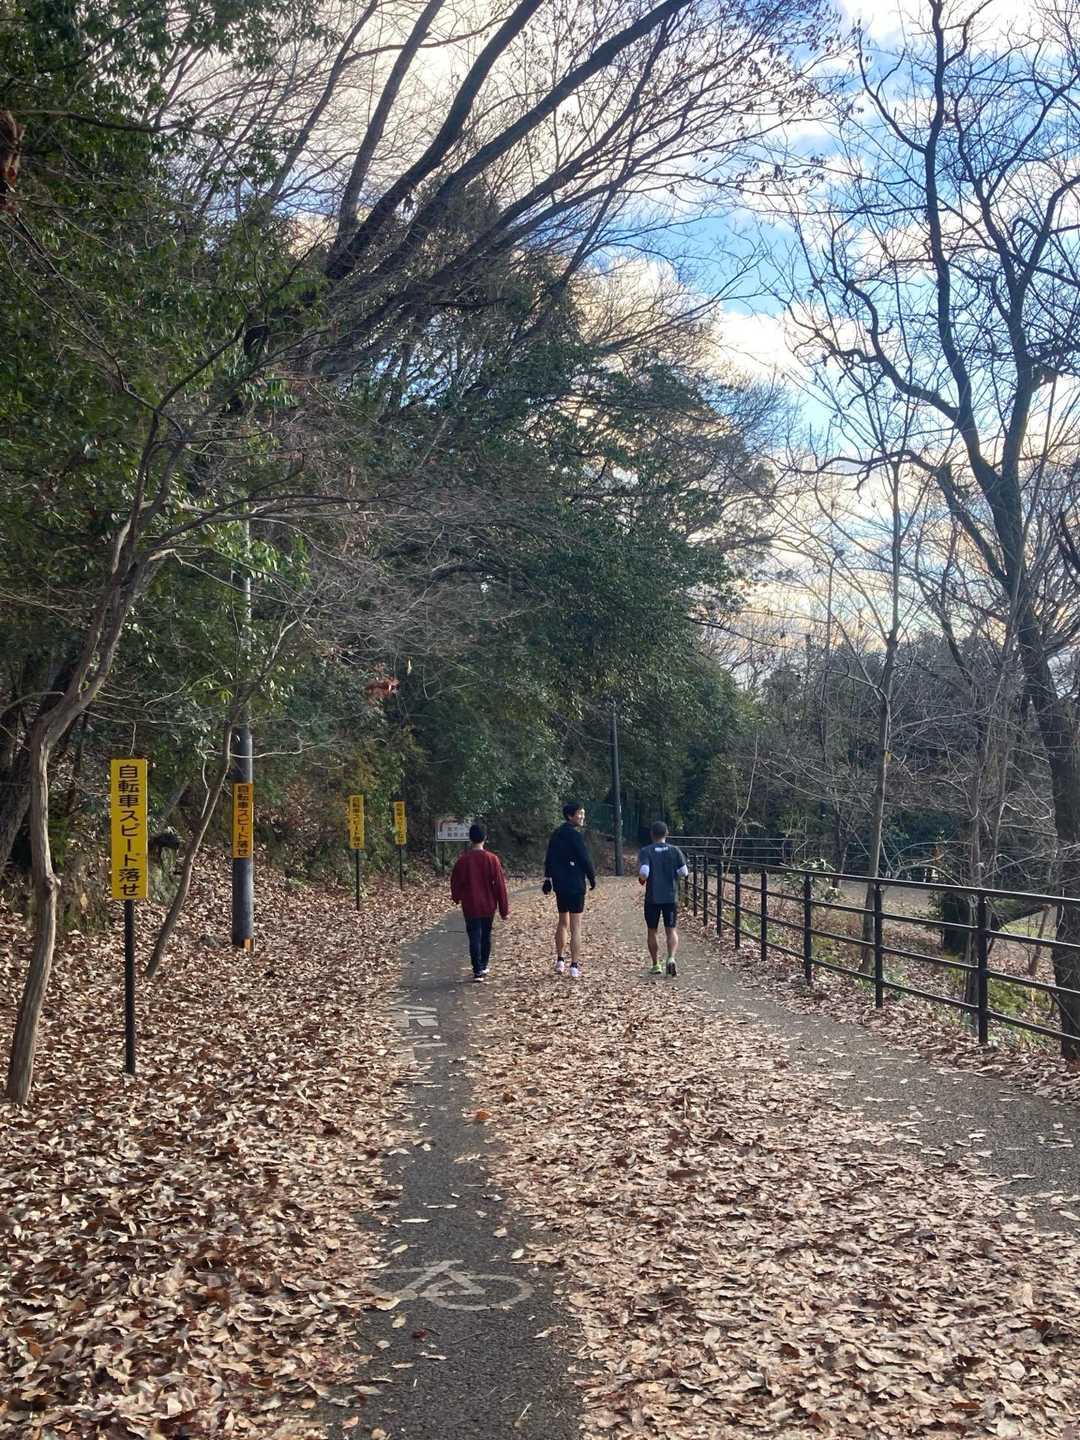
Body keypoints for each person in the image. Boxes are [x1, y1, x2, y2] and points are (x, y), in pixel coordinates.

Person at [543, 801, 596, 979]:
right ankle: (574, 965)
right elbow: (584, 859)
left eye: (583, 813)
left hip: (560, 884)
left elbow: (549, 857)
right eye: (579, 814)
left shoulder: (556, 834)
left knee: (562, 922)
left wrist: (547, 878)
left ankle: (560, 960)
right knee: (576, 926)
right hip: (575, 884)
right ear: (570, 816)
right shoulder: (575, 836)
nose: (582, 817)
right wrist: (592, 877)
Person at [450, 824, 510, 981]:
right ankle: (483, 965)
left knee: (474, 936)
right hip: (488, 904)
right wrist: (503, 909)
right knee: (486, 935)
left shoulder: (463, 860)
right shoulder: (492, 859)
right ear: (485, 838)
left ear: (470, 839)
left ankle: (477, 970)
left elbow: (455, 881)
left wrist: (456, 897)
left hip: (470, 905)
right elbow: (500, 885)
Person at [638, 821, 688, 976]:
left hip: (652, 898)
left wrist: (642, 879)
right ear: (667, 833)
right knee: (671, 930)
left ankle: (655, 964)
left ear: (651, 834)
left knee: (652, 931)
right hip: (670, 896)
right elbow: (684, 872)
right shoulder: (675, 850)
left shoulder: (646, 851)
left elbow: (644, 872)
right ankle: (671, 958)